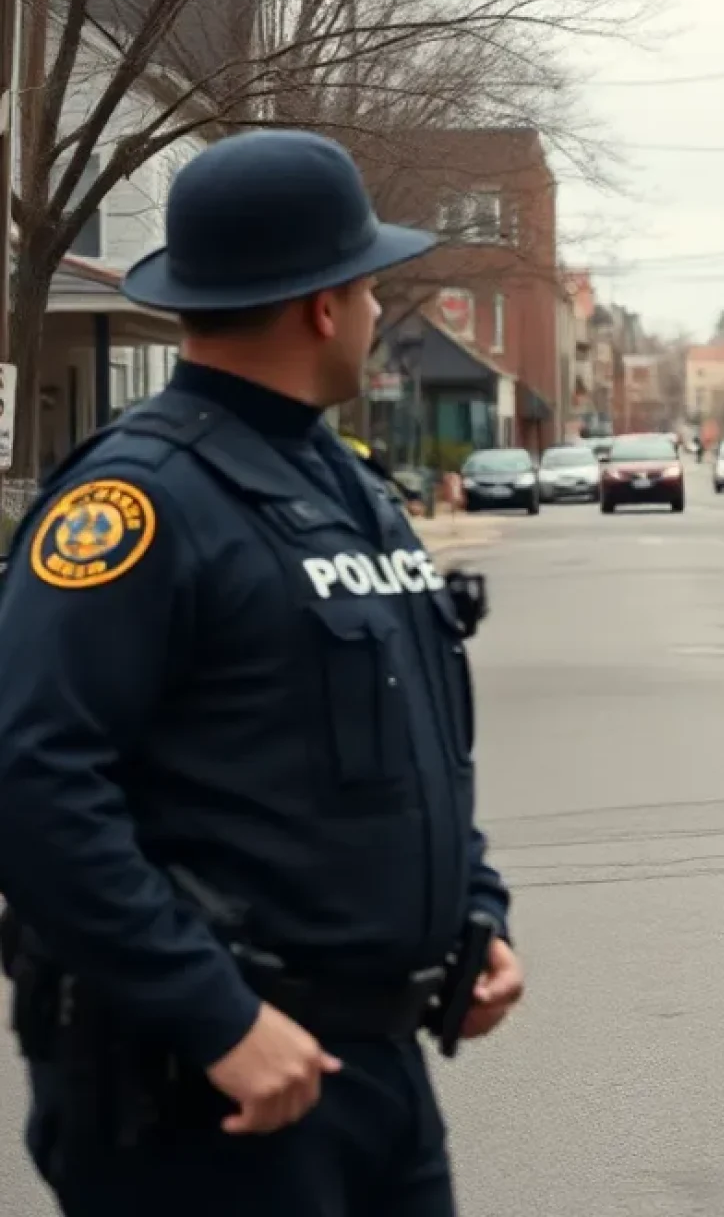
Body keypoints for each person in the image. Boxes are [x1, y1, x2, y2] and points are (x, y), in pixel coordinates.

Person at [0, 129, 524, 1216]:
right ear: (324, 305)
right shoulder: (139, 505)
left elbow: (415, 735)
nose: (379, 315)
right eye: (370, 288)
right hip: (211, 1099)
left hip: (372, 1072)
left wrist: (478, 912)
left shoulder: (344, 483)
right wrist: (214, 1017)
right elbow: (31, 783)